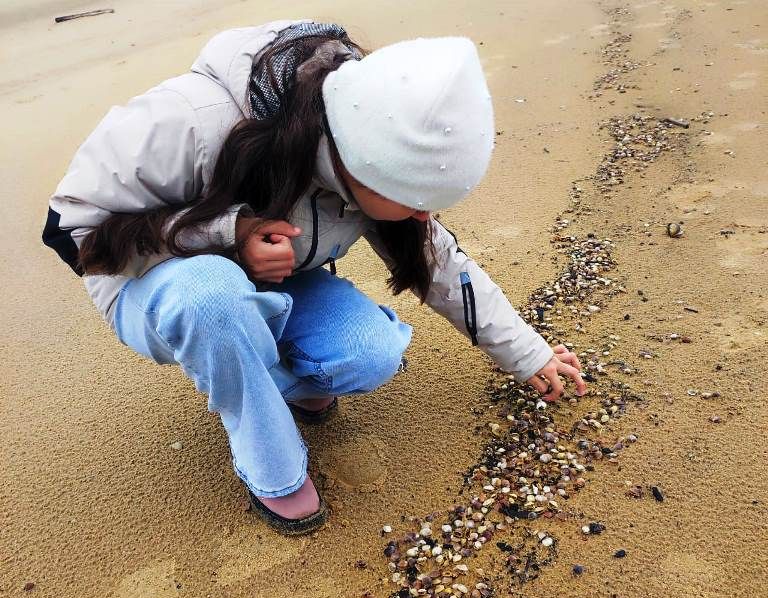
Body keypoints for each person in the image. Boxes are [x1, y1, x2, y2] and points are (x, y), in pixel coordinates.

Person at [42, 21, 585, 535]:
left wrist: (528, 353)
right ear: (364, 165)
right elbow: (71, 232)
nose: (426, 217)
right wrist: (230, 234)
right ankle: (271, 465)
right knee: (212, 296)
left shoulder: (377, 134)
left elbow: (439, 262)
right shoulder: (193, 120)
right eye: (417, 202)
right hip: (153, 283)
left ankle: (272, 377)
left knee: (370, 352)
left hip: (274, 282)